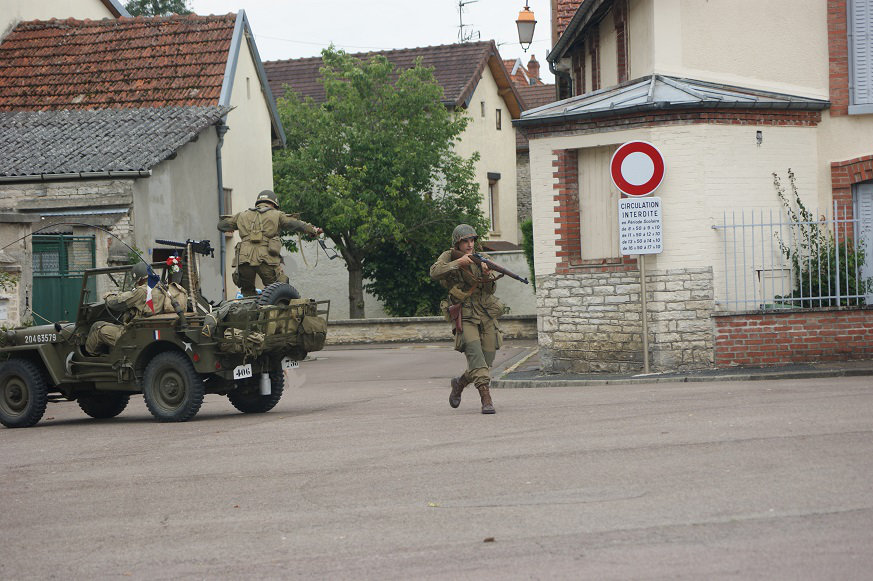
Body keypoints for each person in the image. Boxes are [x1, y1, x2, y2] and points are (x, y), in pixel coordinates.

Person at [430, 224, 504, 414]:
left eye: (472, 240)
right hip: (465, 313)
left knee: (485, 363)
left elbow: (490, 290)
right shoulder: (448, 256)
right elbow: (435, 272)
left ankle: (460, 383)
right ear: (457, 243)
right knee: (475, 356)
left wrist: (487, 274)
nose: (470, 244)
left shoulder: (483, 258)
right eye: (465, 241)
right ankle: (486, 399)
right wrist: (459, 263)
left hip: (486, 313)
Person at [217, 189, 322, 297]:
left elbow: (221, 225)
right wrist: (313, 230)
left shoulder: (241, 215)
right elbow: (295, 224)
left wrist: (234, 227)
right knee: (279, 290)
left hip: (244, 260)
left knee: (247, 293)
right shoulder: (277, 215)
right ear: (274, 203)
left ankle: (250, 313)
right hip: (266, 259)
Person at [85, 262, 168, 356]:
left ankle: (91, 360)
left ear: (140, 278)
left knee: (97, 328)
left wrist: (109, 296)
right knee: (102, 324)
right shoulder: (161, 288)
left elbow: (116, 303)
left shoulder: (142, 291)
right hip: (146, 331)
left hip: (133, 334)